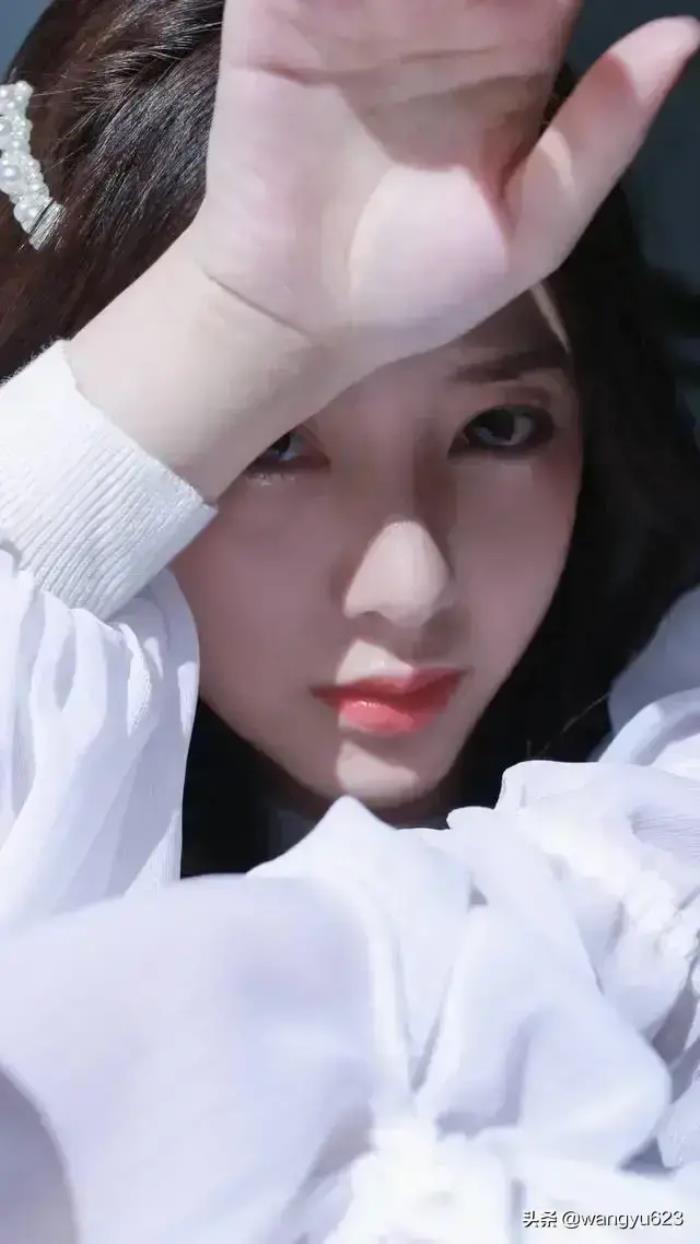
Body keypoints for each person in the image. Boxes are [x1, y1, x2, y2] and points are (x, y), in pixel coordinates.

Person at [0, 0, 700, 1237]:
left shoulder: (654, 838)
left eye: (499, 428)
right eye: (274, 443)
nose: (409, 582)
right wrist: (231, 319)